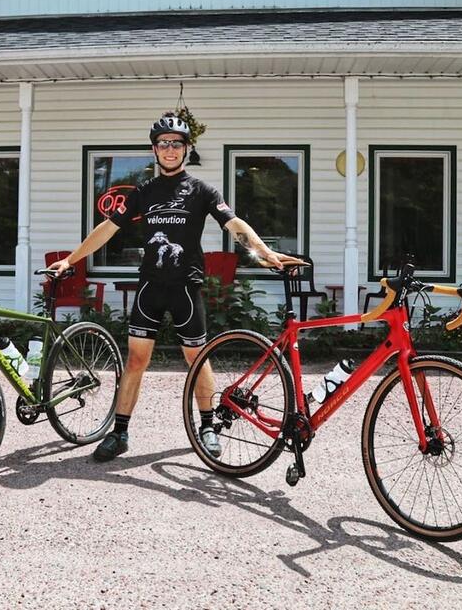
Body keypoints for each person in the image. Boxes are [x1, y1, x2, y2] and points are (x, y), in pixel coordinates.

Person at [50, 112, 300, 461]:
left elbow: (233, 223)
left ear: (186, 148)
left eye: (176, 143)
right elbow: (108, 228)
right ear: (155, 150)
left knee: (198, 359)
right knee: (136, 360)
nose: (170, 149)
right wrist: (72, 259)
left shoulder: (201, 191)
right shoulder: (143, 192)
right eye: (163, 143)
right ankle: (120, 433)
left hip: (185, 287)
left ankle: (208, 427)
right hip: (150, 286)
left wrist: (264, 251)